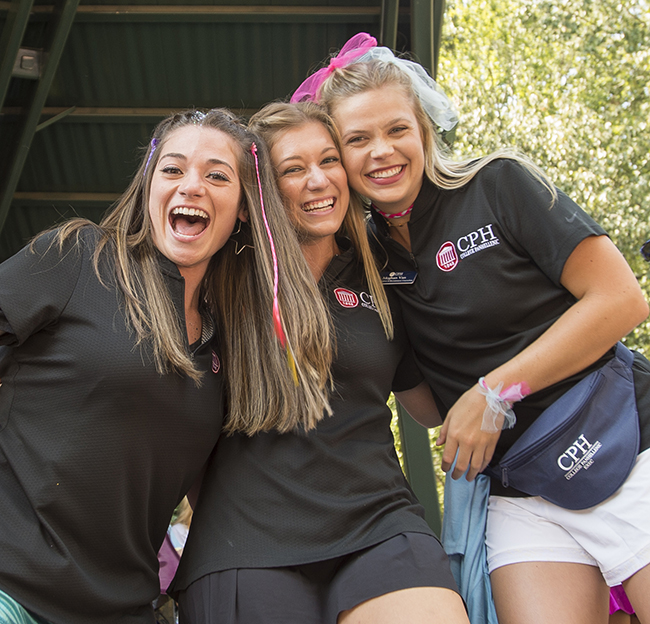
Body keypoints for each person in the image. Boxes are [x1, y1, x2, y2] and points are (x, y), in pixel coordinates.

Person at [295, 33, 650, 624]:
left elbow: (621, 300)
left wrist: (494, 391)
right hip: (520, 489)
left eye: (397, 129)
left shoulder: (498, 182)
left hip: (624, 440)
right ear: (337, 158)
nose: (382, 151)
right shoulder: (365, 264)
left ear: (424, 129)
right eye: (357, 139)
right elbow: (435, 411)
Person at [0, 108, 331, 624]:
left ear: (244, 208)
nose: (191, 186)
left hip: (125, 608)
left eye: (217, 175)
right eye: (173, 170)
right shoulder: (78, 257)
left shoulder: (233, 342)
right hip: (14, 589)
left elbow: (226, 491)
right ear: (149, 186)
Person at [171, 101, 469, 624]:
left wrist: (517, 375)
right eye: (293, 169)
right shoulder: (217, 280)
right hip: (246, 544)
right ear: (256, 194)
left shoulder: (382, 272)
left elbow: (430, 407)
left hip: (381, 526)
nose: (318, 180)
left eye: (328, 160)